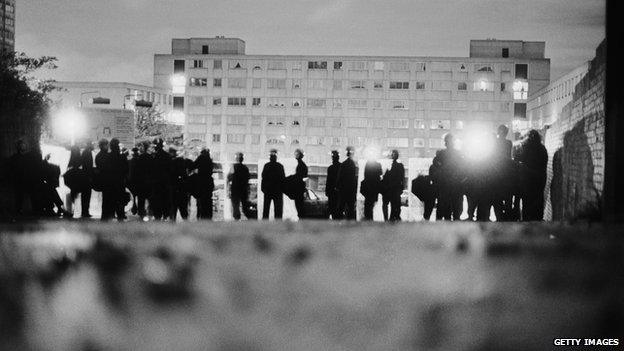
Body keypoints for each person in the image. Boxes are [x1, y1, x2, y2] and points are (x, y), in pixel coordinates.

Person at [430, 134, 465, 221]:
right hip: (456, 184)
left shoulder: (442, 154)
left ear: (446, 143)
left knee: (446, 209)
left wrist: (442, 168)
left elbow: (435, 163)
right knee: (457, 209)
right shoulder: (458, 154)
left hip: (445, 184)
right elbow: (464, 167)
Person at [516, 130, 548, 221]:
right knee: (538, 201)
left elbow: (518, 159)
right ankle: (537, 220)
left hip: (527, 180)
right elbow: (544, 164)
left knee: (527, 202)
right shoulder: (542, 149)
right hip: (539, 180)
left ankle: (527, 221)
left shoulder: (525, 147)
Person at [8, 139, 38, 216]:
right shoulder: (15, 157)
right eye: (21, 144)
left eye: (24, 144)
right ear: (18, 146)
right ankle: (18, 210)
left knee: (33, 189)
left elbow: (35, 167)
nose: (22, 146)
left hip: (29, 180)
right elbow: (12, 170)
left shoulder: (29, 157)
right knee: (19, 191)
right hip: (19, 180)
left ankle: (35, 209)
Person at [101, 138, 129, 221]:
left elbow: (104, 169)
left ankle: (106, 219)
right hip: (119, 183)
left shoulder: (107, 157)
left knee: (108, 202)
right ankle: (120, 218)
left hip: (109, 183)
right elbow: (126, 170)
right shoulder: (122, 157)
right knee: (120, 203)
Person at [492, 125, 514, 221]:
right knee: (508, 198)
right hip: (507, 173)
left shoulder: (495, 143)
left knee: (497, 199)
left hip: (496, 173)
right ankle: (507, 217)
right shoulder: (509, 143)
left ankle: (499, 218)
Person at [150, 138, 173, 220]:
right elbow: (170, 171)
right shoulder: (168, 156)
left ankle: (158, 217)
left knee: (157, 204)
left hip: (156, 184)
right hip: (165, 184)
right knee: (165, 202)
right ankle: (165, 216)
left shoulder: (153, 157)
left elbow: (151, 171)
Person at [228, 152, 253, 220]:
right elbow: (248, 178)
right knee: (245, 207)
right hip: (243, 190)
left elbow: (229, 177)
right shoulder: (245, 168)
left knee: (236, 207)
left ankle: (237, 220)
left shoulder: (233, 166)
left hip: (235, 190)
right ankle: (251, 219)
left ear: (236, 159)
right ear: (242, 159)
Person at [261, 149, 285, 220]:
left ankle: (265, 224)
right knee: (278, 210)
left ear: (270, 157)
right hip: (278, 191)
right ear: (276, 157)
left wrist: (263, 189)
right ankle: (278, 225)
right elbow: (283, 179)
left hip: (268, 191)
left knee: (266, 209)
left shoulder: (266, 166)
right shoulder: (280, 166)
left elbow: (263, 177)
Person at [381, 150, 405, 221]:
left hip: (391, 188)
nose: (393, 156)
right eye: (393, 154)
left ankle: (389, 218)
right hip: (391, 188)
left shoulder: (397, 165)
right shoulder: (398, 166)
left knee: (390, 204)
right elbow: (402, 178)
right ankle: (389, 219)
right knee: (391, 204)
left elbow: (401, 178)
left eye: (394, 154)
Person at [336, 146, 358, 220]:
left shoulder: (344, 164)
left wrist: (338, 187)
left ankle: (339, 222)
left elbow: (340, 177)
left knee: (341, 207)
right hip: (351, 190)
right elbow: (354, 178)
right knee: (351, 208)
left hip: (343, 190)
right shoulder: (353, 164)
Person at [192, 148, 215, 220]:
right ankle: (208, 216)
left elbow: (194, 165)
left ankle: (201, 216)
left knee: (201, 201)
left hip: (201, 183)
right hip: (208, 183)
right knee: (208, 201)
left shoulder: (201, 158)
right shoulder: (210, 160)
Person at [169, 147, 190, 220]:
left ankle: (173, 220)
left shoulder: (172, 164)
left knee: (173, 209)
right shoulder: (184, 177)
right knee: (183, 209)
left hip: (174, 191)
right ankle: (185, 222)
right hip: (182, 191)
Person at [361, 151, 382, 220]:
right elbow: (380, 174)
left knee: (368, 204)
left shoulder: (368, 164)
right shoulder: (378, 165)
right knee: (371, 204)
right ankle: (370, 218)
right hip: (374, 188)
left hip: (368, 187)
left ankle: (368, 217)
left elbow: (365, 175)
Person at [94, 139, 110, 219]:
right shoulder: (106, 155)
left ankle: (105, 216)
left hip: (103, 180)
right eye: (107, 145)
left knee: (105, 199)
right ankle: (106, 216)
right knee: (107, 199)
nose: (108, 146)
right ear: (103, 146)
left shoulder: (98, 156)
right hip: (107, 180)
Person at [293, 149, 308, 219]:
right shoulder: (301, 165)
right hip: (300, 189)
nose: (295, 155)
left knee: (299, 207)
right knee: (299, 207)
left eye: (297, 154)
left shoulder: (301, 165)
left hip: (298, 189)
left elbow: (302, 178)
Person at [80, 142, 94, 218]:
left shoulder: (85, 152)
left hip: (84, 176)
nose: (93, 146)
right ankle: (85, 212)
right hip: (87, 177)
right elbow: (88, 166)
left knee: (85, 195)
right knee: (86, 194)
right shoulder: (87, 153)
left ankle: (84, 211)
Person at [325, 150, 340, 219]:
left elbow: (328, 181)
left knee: (332, 208)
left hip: (331, 192)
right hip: (339, 191)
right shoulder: (341, 166)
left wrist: (327, 191)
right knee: (338, 208)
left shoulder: (330, 168)